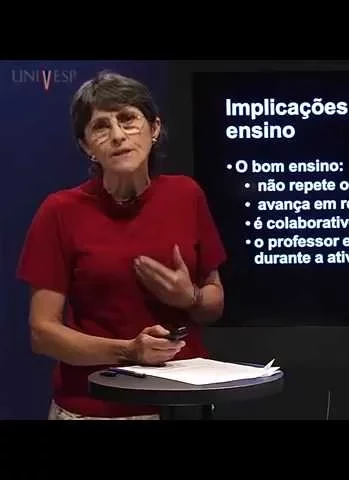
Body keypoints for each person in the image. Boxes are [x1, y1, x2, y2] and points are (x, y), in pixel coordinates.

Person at [16, 70, 227, 420]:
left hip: (181, 403)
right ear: (87, 146)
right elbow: (43, 333)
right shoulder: (60, 211)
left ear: (154, 128)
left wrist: (189, 297)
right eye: (101, 126)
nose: (117, 135)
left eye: (128, 119)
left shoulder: (186, 195)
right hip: (95, 408)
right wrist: (129, 351)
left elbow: (214, 303)